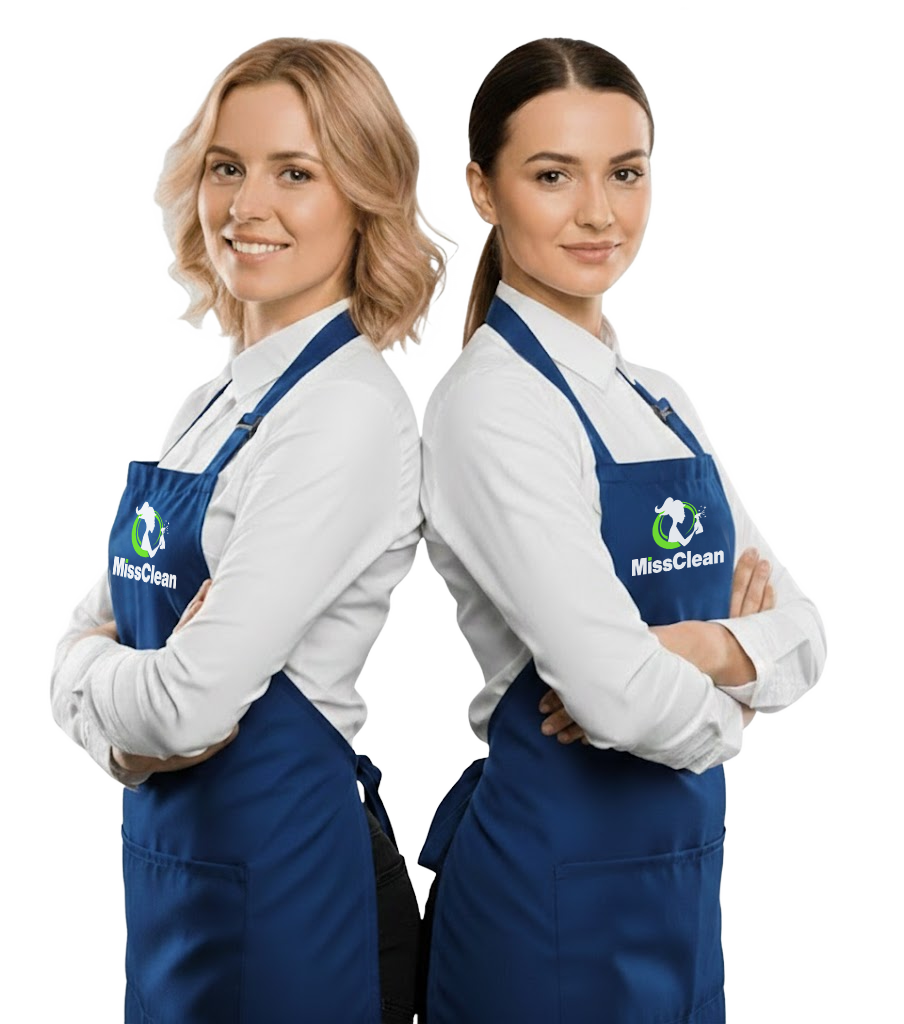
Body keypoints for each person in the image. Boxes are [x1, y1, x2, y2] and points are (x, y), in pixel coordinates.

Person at [416, 34, 829, 1023]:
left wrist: (686, 646)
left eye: (625, 172)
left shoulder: (659, 395)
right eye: (552, 175)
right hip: (545, 902)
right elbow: (614, 698)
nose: (598, 212)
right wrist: (737, 698)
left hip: (678, 889)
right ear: (481, 187)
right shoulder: (491, 407)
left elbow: (809, 636)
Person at [47, 34, 458, 1024]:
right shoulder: (207, 402)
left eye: (295, 173)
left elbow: (184, 704)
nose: (246, 205)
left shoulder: (348, 412)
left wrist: (116, 693)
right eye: (227, 166)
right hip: (175, 874)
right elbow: (65, 661)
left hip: (292, 892)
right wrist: (126, 721)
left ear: (363, 200)